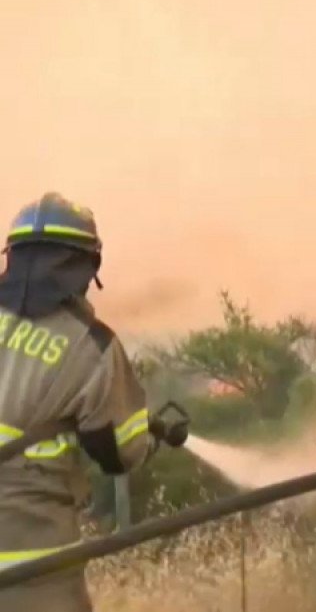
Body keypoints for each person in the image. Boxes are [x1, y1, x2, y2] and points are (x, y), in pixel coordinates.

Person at [0, 192, 169, 611]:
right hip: (30, 563)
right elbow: (119, 452)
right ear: (84, 267)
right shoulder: (91, 345)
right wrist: (148, 435)